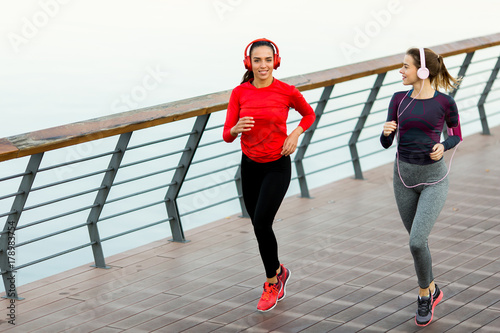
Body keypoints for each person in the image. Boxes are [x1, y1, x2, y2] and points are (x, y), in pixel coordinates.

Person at [223, 38, 316, 312]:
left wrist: (295, 134)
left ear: (275, 61)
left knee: (262, 222)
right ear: (248, 63)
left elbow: (308, 115)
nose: (262, 65)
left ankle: (271, 283)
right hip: (250, 165)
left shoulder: (286, 91)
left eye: (267, 60)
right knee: (258, 225)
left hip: (278, 163)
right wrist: (237, 127)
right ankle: (279, 270)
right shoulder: (239, 93)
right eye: (257, 60)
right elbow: (227, 135)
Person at [381, 47, 462, 326]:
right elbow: (386, 143)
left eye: (406, 66)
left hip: (434, 180)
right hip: (403, 178)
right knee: (419, 243)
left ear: (423, 71)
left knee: (416, 240)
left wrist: (444, 145)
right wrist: (385, 133)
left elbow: (456, 135)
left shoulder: (445, 102)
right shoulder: (398, 100)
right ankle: (433, 288)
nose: (401, 71)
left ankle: (423, 295)